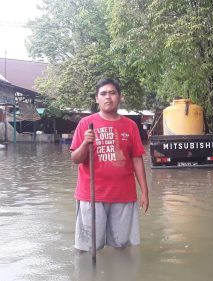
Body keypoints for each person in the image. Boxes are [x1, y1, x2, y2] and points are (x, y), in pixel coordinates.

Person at [70, 77, 149, 252]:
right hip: (91, 195)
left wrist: (144, 191)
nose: (108, 97)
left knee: (122, 247)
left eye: (112, 93)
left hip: (124, 195)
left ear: (119, 97)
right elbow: (75, 159)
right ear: (97, 98)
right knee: (86, 249)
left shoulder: (130, 126)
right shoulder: (85, 124)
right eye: (103, 93)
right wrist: (85, 143)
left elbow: (137, 159)